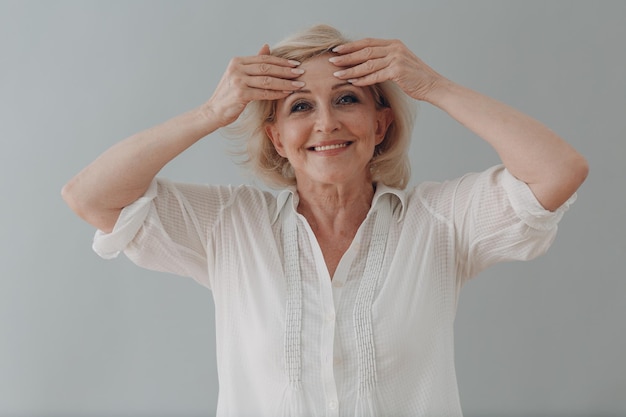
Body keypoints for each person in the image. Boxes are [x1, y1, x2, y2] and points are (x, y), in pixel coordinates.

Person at [62, 24, 588, 417]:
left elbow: (559, 171)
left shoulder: (437, 223)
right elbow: (90, 196)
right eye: (299, 107)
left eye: (346, 99)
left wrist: (432, 85)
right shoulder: (230, 225)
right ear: (276, 139)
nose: (327, 122)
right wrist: (211, 112)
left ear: (380, 124)